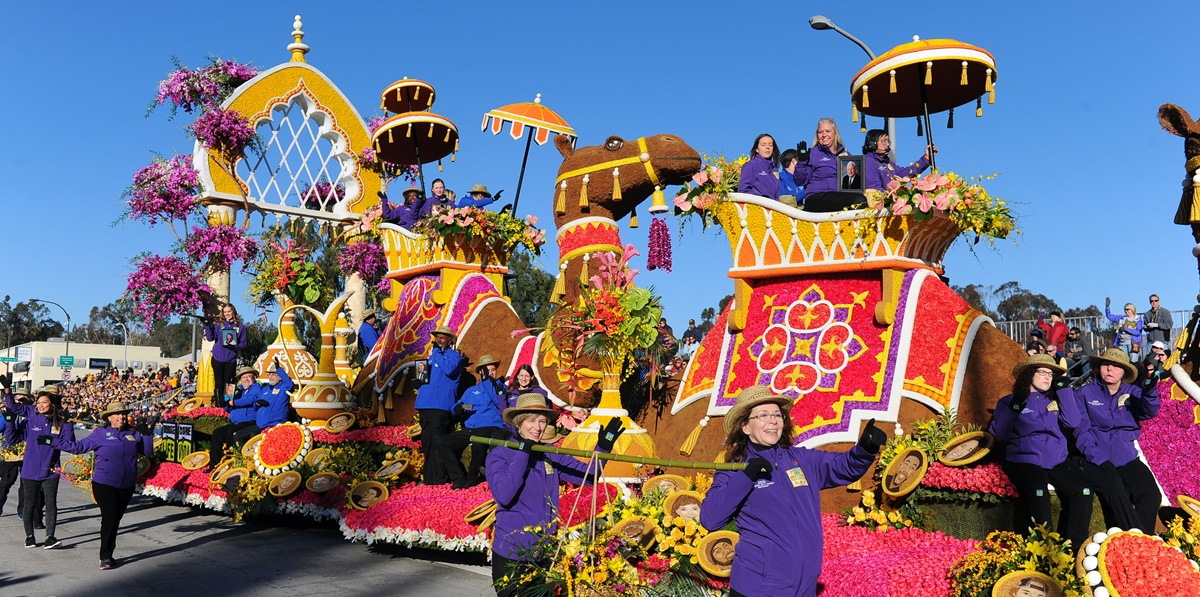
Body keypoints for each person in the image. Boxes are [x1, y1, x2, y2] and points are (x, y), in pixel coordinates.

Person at [699, 385, 884, 597]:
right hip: (759, 588)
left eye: (777, 415)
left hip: (804, 587)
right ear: (745, 427)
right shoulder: (734, 468)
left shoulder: (801, 459)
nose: (773, 420)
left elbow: (843, 467)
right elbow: (711, 519)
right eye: (763, 415)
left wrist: (866, 449)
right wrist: (746, 476)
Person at [486, 393, 625, 597]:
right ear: (518, 423)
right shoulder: (500, 454)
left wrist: (604, 444)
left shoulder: (549, 453)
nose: (537, 427)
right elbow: (504, 494)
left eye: (542, 421)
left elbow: (589, 476)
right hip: (512, 553)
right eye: (531, 421)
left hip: (544, 553)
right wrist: (524, 453)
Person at [987, 354, 1093, 550]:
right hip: (1023, 459)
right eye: (1042, 372)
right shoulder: (1009, 401)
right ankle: (1045, 549)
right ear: (1029, 375)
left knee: (1084, 490)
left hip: (1055, 459)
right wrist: (1016, 406)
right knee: (1038, 490)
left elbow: (1073, 422)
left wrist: (1064, 390)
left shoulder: (1055, 400)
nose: (1047, 377)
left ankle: (1074, 547)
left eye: (1050, 374)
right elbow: (999, 434)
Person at [1059, 348, 1161, 532]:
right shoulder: (1084, 393)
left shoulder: (1134, 392)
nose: (1110, 369)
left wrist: (1149, 391)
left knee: (1151, 493)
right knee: (1115, 488)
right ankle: (1136, 541)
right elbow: (1081, 431)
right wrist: (1097, 457)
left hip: (1126, 456)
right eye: (1106, 365)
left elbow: (1149, 411)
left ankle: (1140, 542)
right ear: (1098, 368)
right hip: (1094, 457)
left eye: (1116, 366)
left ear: (1125, 372)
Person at [46, 400, 152, 569]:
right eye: (117, 414)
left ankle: (108, 552)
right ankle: (106, 556)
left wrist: (146, 433)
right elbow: (78, 447)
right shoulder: (100, 434)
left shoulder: (132, 434)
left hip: (126, 484)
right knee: (110, 516)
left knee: (115, 518)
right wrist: (51, 441)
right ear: (108, 417)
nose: (121, 417)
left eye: (123, 414)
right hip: (104, 482)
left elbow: (147, 452)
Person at [3, 382, 73, 549]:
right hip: (30, 470)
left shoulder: (62, 421)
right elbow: (13, 406)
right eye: (38, 402)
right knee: (29, 504)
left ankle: (50, 537)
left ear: (53, 404)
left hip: (51, 470)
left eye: (45, 402)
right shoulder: (32, 415)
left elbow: (70, 444)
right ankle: (29, 536)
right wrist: (7, 391)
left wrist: (58, 434)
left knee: (50, 504)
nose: (40, 406)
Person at [431, 355, 509, 489]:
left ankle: (472, 479)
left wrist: (487, 382)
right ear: (480, 372)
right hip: (471, 428)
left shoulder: (500, 388)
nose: (491, 372)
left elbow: (500, 404)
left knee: (478, 444)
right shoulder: (471, 390)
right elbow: (460, 407)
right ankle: (458, 477)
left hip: (489, 427)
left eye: (493, 369)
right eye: (487, 370)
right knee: (441, 443)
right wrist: (461, 408)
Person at [415, 325, 462, 485]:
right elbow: (419, 380)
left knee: (439, 443)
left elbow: (449, 369)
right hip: (424, 404)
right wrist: (420, 370)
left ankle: (441, 479)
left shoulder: (454, 357)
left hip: (440, 407)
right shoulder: (431, 356)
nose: (438, 340)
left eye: (442, 337)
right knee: (427, 443)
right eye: (437, 337)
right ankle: (430, 479)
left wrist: (435, 353)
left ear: (450, 340)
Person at [792, 118, 866, 213]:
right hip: (817, 197)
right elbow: (800, 181)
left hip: (838, 196)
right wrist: (802, 162)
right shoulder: (813, 154)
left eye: (828, 131)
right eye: (820, 132)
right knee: (857, 201)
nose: (824, 135)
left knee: (863, 201)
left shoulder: (845, 153)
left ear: (835, 133)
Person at [209, 370, 264, 464]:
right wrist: (225, 403)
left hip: (250, 421)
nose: (246, 379)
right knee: (217, 433)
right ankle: (215, 464)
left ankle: (233, 462)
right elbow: (230, 407)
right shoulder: (240, 391)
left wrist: (234, 402)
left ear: (254, 378)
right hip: (236, 421)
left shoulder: (257, 388)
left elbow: (249, 400)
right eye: (243, 377)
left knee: (232, 432)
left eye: (248, 377)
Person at [861, 129, 935, 192]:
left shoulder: (887, 163)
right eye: (884, 141)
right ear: (872, 144)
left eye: (888, 141)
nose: (888, 144)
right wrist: (892, 194)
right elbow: (873, 189)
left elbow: (907, 173)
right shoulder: (867, 161)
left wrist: (926, 158)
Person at [203, 304, 248, 394]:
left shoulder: (240, 327)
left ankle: (228, 403)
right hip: (217, 357)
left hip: (230, 358)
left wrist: (235, 347)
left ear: (233, 312)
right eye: (225, 312)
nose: (227, 314)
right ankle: (219, 405)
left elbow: (244, 343)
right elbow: (210, 338)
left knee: (229, 382)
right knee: (219, 382)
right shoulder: (218, 325)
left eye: (229, 311)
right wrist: (207, 325)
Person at [251, 358, 295, 431]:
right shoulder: (265, 389)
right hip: (261, 424)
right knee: (237, 434)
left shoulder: (283, 388)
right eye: (270, 374)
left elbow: (289, 383)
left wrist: (279, 369)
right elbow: (255, 407)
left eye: (274, 374)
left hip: (274, 424)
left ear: (280, 377)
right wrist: (257, 403)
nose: (271, 376)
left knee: (240, 436)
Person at [737, 134, 779, 199]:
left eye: (770, 145)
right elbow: (743, 190)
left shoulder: (774, 170)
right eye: (763, 145)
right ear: (757, 149)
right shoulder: (751, 165)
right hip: (757, 207)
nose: (767, 147)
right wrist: (760, 199)